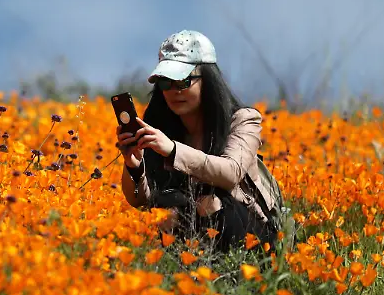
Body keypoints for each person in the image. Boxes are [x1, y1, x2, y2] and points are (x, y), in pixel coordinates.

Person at [117, 29, 283, 253]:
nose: (174, 91)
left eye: (184, 81)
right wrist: (134, 166)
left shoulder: (244, 120)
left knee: (210, 203)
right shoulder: (162, 129)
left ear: (208, 81)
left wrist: (173, 150)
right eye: (166, 83)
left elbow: (231, 172)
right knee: (165, 211)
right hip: (192, 239)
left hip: (252, 239)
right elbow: (140, 201)